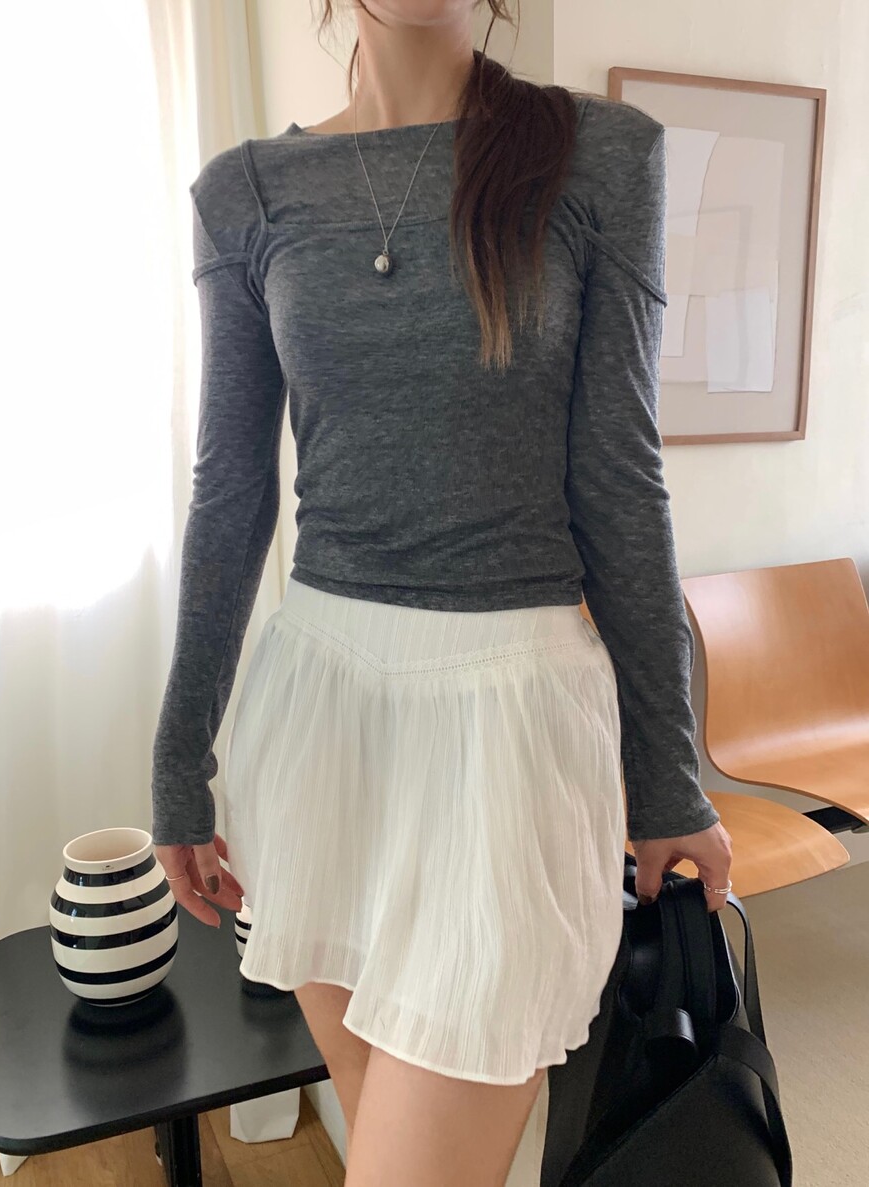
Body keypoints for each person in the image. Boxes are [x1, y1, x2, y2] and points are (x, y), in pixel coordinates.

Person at [150, 1, 733, 1183]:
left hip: (510, 735)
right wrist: (178, 762)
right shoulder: (246, 193)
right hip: (320, 722)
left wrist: (668, 772)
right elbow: (230, 493)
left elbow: (620, 479)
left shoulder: (598, 156)